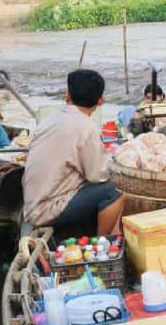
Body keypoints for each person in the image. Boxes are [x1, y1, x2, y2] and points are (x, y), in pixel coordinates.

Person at [22, 69, 125, 237]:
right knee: (117, 187)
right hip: (46, 209)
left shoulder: (50, 119)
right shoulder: (86, 126)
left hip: (32, 204)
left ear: (67, 95)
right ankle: (103, 243)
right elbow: (97, 175)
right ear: (100, 100)